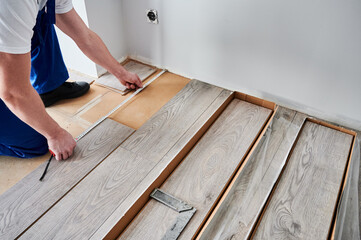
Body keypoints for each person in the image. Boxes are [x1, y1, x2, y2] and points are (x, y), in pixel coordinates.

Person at [0, 0, 142, 160]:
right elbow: (12, 92)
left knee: (44, 17)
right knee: (36, 142)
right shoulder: (14, 5)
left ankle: (48, 88)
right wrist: (54, 134)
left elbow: (84, 36)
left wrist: (120, 72)